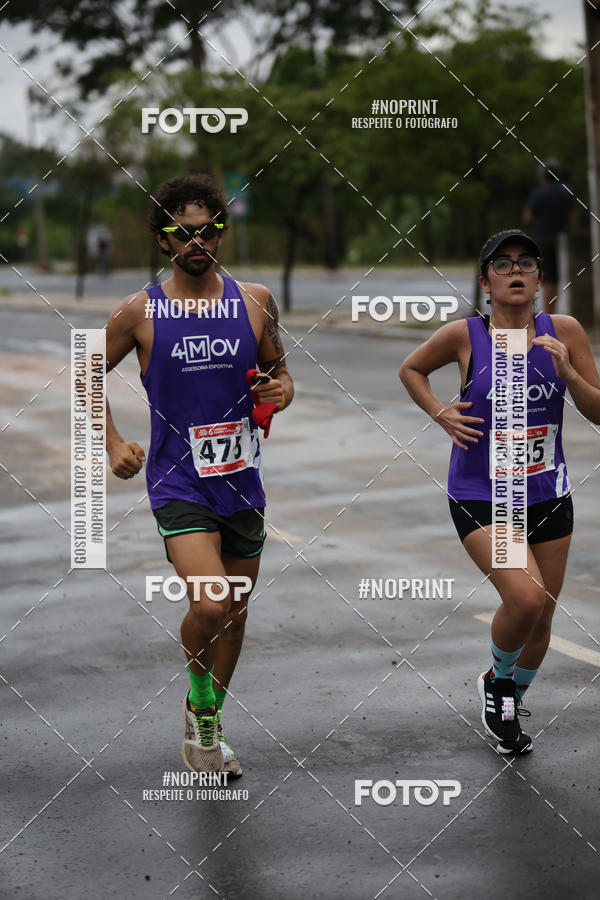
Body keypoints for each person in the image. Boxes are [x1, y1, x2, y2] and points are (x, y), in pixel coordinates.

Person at [103, 174, 294, 774]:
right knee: (210, 605)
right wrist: (112, 443)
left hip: (242, 481)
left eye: (208, 230)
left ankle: (206, 722)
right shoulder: (139, 311)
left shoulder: (255, 301)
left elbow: (281, 373)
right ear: (163, 240)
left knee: (234, 611)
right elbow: (84, 371)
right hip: (178, 482)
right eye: (182, 232)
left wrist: (280, 392)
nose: (197, 241)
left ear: (221, 234)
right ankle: (202, 703)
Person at [399, 229, 600, 754]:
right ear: (485, 282)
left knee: (542, 616)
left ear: (539, 279)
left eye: (526, 263)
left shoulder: (564, 332)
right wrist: (440, 412)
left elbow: (597, 410)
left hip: (548, 492)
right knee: (525, 598)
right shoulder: (465, 335)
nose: (516, 271)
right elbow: (411, 369)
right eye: (503, 264)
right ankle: (499, 682)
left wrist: (568, 373)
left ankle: (505, 695)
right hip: (484, 496)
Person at [523, 161, 574, 314]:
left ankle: (548, 314)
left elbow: (527, 218)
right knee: (558, 278)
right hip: (563, 240)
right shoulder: (567, 191)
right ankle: (555, 312)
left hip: (543, 241)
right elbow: (573, 217)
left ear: (542, 176)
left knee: (547, 279)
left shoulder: (538, 193)